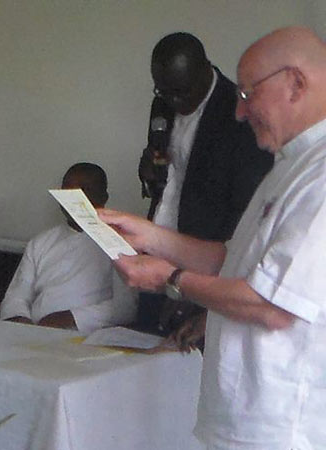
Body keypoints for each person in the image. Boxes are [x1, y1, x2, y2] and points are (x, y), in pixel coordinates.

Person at [101, 27, 326, 449]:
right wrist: (151, 235)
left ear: (296, 83)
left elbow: (272, 306)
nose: (239, 112)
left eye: (248, 94)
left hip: (279, 426)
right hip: (239, 414)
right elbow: (231, 259)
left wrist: (170, 279)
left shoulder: (320, 176)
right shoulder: (288, 165)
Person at [136, 32, 273, 350]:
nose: (174, 102)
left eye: (181, 92)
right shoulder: (163, 105)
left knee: (185, 363)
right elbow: (170, 180)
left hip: (204, 265)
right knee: (141, 358)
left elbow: (244, 211)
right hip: (155, 253)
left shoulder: (239, 114)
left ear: (205, 69)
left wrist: (205, 288)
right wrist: (149, 174)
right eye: (164, 92)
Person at [0, 163, 136, 333]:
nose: (73, 198)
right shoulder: (40, 242)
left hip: (86, 336)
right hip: (32, 332)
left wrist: (70, 317)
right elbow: (17, 295)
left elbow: (125, 308)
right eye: (67, 190)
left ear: (103, 197)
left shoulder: (118, 242)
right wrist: (20, 319)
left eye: (84, 190)